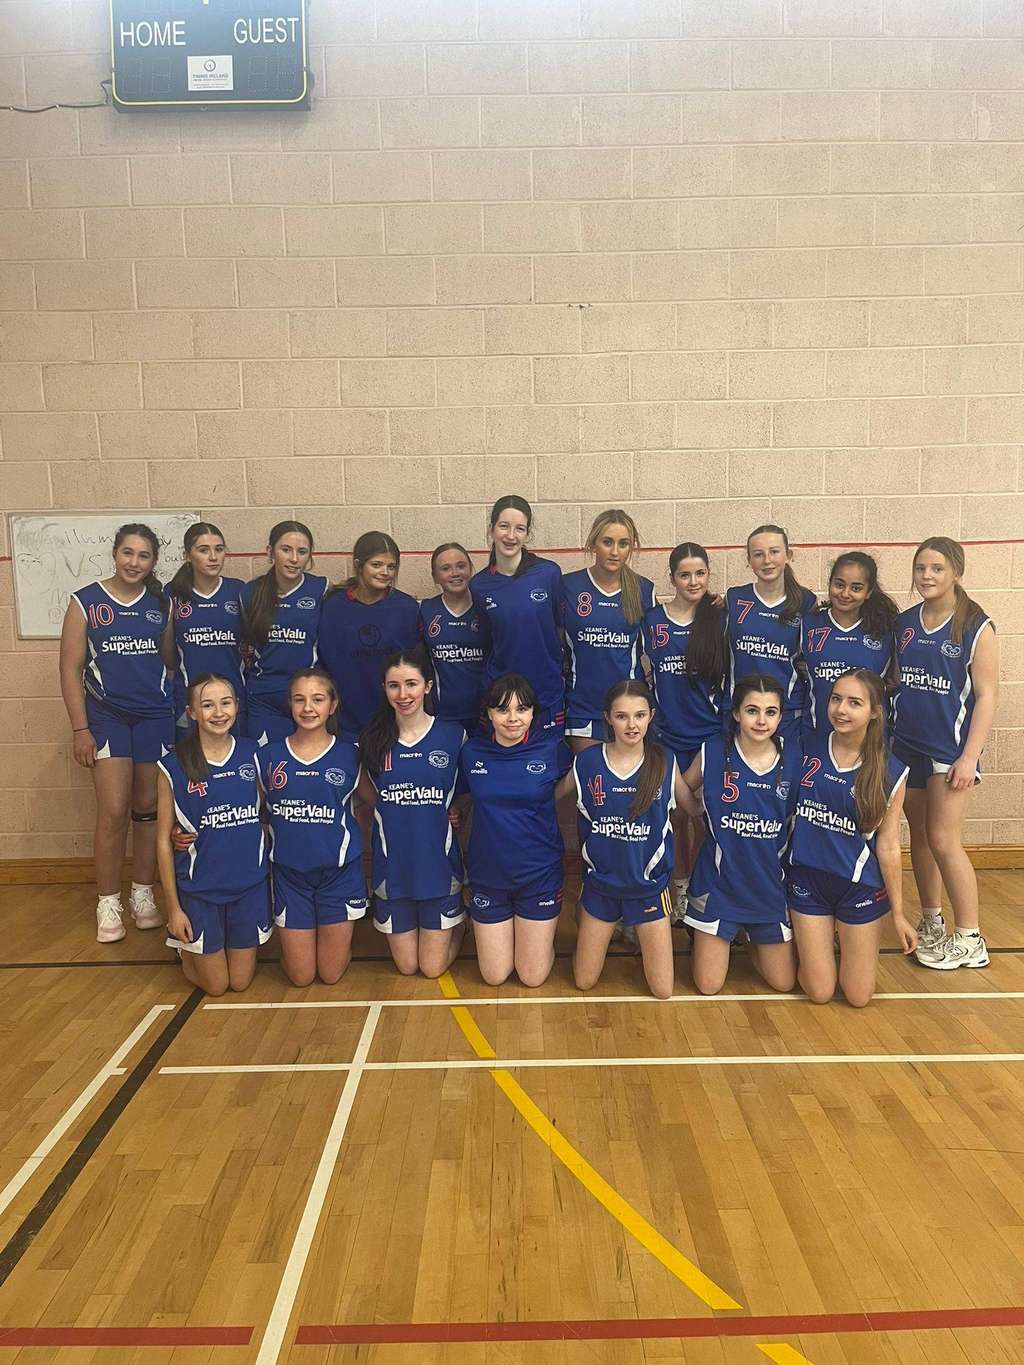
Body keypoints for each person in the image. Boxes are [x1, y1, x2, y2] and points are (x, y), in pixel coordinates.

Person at [59, 523, 175, 943]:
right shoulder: (86, 601)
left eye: (144, 556)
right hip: (107, 718)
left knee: (147, 809)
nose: (134, 562)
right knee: (112, 810)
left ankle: (142, 893)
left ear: (153, 562)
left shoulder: (160, 604)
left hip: (154, 718)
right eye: (128, 553)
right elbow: (70, 669)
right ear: (114, 554)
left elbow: (169, 662)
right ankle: (107, 902)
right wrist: (80, 728)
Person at [892, 537, 999, 970]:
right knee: (919, 836)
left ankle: (970, 937)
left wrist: (970, 757)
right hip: (907, 745)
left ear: (956, 571)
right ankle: (932, 921)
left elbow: (987, 696)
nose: (927, 576)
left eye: (937, 568)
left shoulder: (976, 626)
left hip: (950, 752)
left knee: (943, 839)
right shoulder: (904, 623)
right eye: (921, 568)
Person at [788, 670, 916, 1007]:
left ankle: (838, 940)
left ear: (874, 712)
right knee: (819, 992)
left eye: (854, 703)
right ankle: (803, 948)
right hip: (808, 879)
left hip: (859, 888)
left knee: (859, 997)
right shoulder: (806, 746)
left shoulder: (891, 770)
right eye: (836, 699)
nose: (841, 709)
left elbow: (888, 846)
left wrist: (898, 914)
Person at [681, 675, 803, 996]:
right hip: (719, 887)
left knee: (783, 983)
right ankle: (719, 933)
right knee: (708, 985)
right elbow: (679, 789)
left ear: (780, 716)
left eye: (770, 712)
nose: (761, 720)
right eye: (752, 710)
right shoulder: (712, 753)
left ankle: (748, 936)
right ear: (736, 713)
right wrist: (694, 807)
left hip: (768, 888)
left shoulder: (793, 760)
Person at [156, 674, 270, 994]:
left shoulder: (254, 754)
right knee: (217, 987)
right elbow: (162, 842)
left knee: (240, 983)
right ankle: (185, 950)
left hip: (248, 888)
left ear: (237, 706)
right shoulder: (173, 766)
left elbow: (270, 810)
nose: (218, 713)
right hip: (200, 890)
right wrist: (173, 908)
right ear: (192, 712)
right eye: (207, 705)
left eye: (226, 703)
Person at [567, 681, 680, 998]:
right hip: (601, 886)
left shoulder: (665, 762)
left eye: (639, 715)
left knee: (663, 990)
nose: (632, 725)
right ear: (608, 718)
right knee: (584, 981)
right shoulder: (587, 762)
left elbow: (696, 807)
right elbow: (548, 797)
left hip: (648, 889)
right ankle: (586, 915)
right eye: (622, 716)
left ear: (650, 716)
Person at [359, 647, 467, 977]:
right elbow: (369, 796)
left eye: (411, 684)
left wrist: (457, 809)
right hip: (393, 871)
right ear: (384, 689)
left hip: (438, 868)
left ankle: (461, 926)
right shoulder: (371, 741)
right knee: (407, 967)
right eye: (394, 685)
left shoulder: (454, 737)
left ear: (427, 686)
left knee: (432, 969)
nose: (403, 694)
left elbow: (468, 792)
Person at [458, 673, 572, 987]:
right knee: (494, 976)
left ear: (533, 713)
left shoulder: (553, 750)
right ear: (489, 713)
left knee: (531, 977)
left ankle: (538, 943)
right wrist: (455, 811)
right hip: (488, 875)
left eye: (522, 709)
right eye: (502, 709)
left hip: (539, 874)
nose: (512, 718)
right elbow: (460, 797)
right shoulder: (471, 753)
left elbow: (577, 781)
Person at [260, 668, 367, 986]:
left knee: (330, 975)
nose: (308, 708)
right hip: (290, 876)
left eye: (317, 699)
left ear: (332, 705)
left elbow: (380, 802)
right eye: (299, 700)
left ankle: (337, 943)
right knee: (301, 977)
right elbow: (247, 811)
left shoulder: (351, 755)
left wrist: (446, 812)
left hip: (339, 874)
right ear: (290, 704)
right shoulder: (267, 757)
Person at [642, 542, 727, 913]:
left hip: (710, 736)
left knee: (708, 819)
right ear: (672, 578)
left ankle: (704, 889)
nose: (694, 581)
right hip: (669, 737)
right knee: (675, 817)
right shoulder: (653, 621)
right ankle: (678, 887)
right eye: (685, 575)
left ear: (708, 574)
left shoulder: (720, 619)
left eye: (700, 573)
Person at [561, 510, 655, 752]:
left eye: (623, 544)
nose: (615, 551)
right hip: (584, 706)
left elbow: (664, 641)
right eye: (607, 542)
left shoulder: (644, 589)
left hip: (629, 709)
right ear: (593, 543)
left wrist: (708, 605)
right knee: (591, 774)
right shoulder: (568, 586)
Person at [471, 496, 564, 733]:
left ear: (527, 534)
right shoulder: (479, 585)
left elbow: (560, 627)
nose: (511, 536)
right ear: (491, 529)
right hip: (503, 700)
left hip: (546, 692)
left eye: (519, 528)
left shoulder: (548, 573)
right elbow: (488, 641)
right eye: (504, 526)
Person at [318, 531, 419, 743]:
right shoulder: (333, 606)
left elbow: (415, 668)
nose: (385, 572)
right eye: (376, 565)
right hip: (343, 723)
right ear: (358, 565)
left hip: (394, 723)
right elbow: (324, 664)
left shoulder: (407, 608)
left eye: (391, 566)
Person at [725, 525, 815, 748]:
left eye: (774, 552)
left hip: (786, 713)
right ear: (749, 560)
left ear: (788, 554)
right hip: (741, 710)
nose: (767, 560)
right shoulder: (734, 598)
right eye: (758, 554)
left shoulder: (806, 602)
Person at [240, 521, 326, 745]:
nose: (294, 559)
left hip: (307, 695)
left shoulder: (321, 589)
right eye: (286, 550)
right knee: (268, 763)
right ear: (270, 552)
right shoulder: (250, 592)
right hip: (264, 697)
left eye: (302, 552)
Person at [801, 552, 897, 736]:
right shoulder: (808, 624)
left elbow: (895, 681)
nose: (845, 594)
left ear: (868, 592)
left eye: (856, 588)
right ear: (830, 583)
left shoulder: (886, 630)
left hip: (869, 739)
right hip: (818, 734)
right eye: (839, 585)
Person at [165, 522, 246, 736]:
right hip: (189, 701)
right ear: (187, 555)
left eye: (219, 549)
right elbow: (165, 652)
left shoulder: (238, 591)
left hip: (232, 700)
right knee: (193, 757)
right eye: (204, 550)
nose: (213, 557)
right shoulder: (172, 594)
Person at [419, 543, 485, 737]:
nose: (455, 573)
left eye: (461, 566)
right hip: (444, 714)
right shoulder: (425, 610)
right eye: (446, 568)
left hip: (487, 712)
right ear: (435, 576)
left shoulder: (487, 607)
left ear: (471, 569)